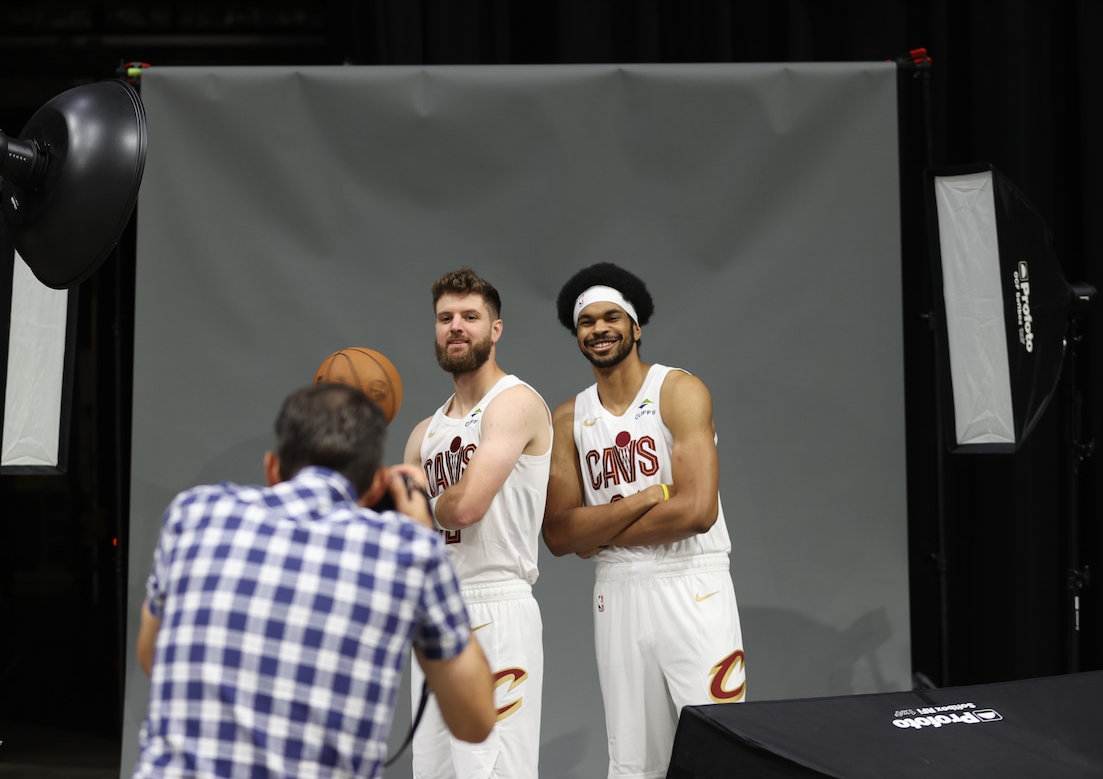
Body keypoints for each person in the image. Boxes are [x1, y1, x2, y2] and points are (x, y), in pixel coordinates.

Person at [132, 382, 494, 778]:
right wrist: (425, 540)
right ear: (375, 487)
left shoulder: (193, 515)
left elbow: (153, 654)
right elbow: (475, 721)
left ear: (272, 468)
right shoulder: (408, 551)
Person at [543, 262, 746, 779]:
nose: (598, 329)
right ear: (577, 336)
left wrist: (601, 528)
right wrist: (644, 499)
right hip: (618, 593)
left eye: (612, 317)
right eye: (586, 322)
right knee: (634, 764)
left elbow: (698, 511)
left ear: (636, 327)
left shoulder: (678, 390)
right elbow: (560, 536)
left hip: (693, 582)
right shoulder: (567, 418)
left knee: (723, 748)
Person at [403, 266, 553, 779]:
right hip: (437, 612)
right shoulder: (425, 431)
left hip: (498, 606)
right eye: (445, 318)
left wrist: (419, 500)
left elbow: (467, 507)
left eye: (470, 316)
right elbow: (409, 540)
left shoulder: (514, 402)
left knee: (493, 772)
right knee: (433, 771)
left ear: (496, 329)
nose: (456, 327)